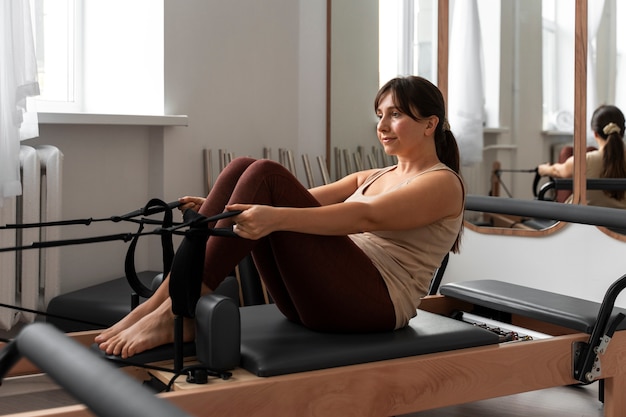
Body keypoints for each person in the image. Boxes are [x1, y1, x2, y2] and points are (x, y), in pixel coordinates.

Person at [95, 76, 465, 359]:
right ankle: (159, 303)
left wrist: (272, 217)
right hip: (322, 299)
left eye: (396, 115)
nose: (382, 126)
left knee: (266, 174)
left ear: (430, 124)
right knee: (245, 169)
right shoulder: (375, 175)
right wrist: (218, 205)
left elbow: (363, 216)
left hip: (373, 306)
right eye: (380, 115)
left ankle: (181, 311)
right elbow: (299, 201)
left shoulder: (442, 183)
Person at [538, 105, 626, 208]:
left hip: (585, 221)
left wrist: (542, 169)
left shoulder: (584, 160)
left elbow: (556, 171)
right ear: (622, 132)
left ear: (595, 133)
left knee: (567, 153)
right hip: (621, 221)